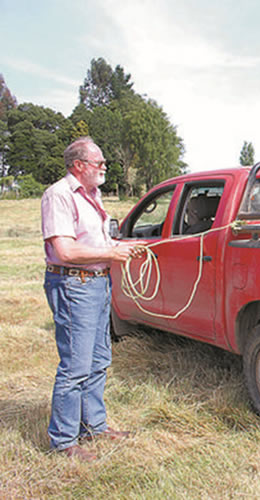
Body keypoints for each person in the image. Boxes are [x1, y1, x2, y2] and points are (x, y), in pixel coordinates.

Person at [42, 136, 142, 461]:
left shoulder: (93, 195)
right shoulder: (59, 195)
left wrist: (120, 246)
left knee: (99, 361)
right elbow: (65, 250)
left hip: (97, 283)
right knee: (76, 366)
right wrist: (112, 251)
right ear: (79, 165)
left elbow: (92, 239)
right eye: (98, 162)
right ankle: (64, 441)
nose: (104, 167)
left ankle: (94, 427)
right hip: (75, 285)